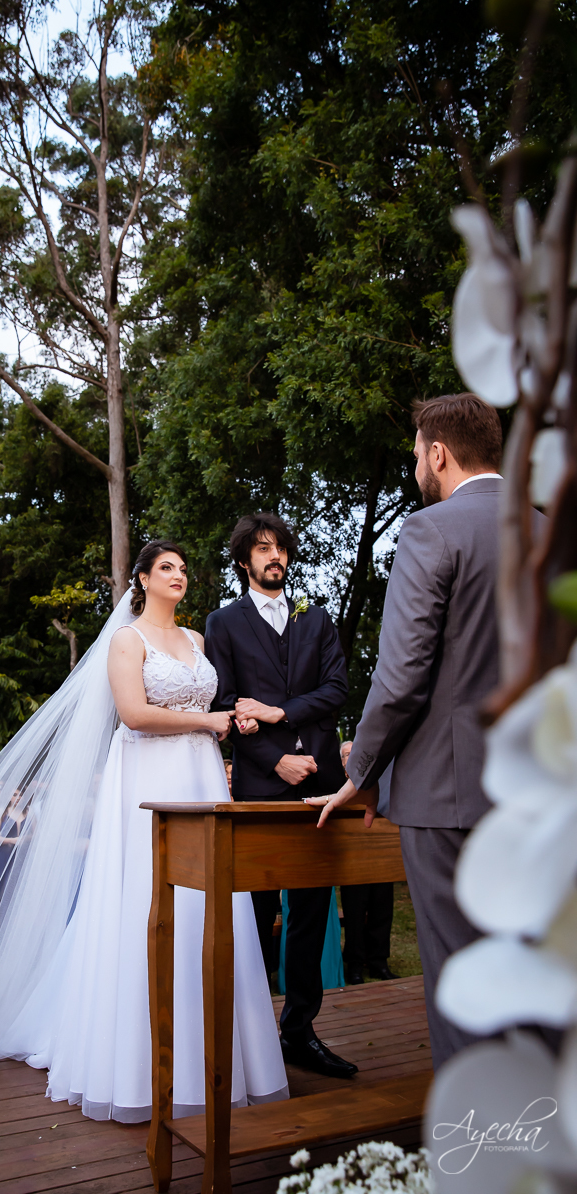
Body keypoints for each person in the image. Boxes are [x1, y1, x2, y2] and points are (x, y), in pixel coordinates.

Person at [0, 540, 289, 1125]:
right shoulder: (127, 641)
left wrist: (235, 718)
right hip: (147, 777)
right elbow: (134, 714)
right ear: (141, 579)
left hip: (200, 775)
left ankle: (218, 1057)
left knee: (209, 902)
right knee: (149, 899)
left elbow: (207, 704)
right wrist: (208, 720)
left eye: (184, 569)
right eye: (165, 568)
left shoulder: (196, 642)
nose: (178, 576)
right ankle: (134, 1060)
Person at [308, 392, 511, 1070]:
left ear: (439, 453)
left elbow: (400, 681)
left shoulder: (432, 530)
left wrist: (358, 772)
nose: (418, 468)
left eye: (417, 455)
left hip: (452, 797)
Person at [204, 512, 356, 1080]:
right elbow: (225, 701)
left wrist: (284, 713)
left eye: (280, 549)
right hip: (261, 786)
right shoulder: (224, 623)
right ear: (244, 561)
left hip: (319, 788)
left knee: (311, 911)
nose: (274, 557)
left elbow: (337, 688)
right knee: (256, 911)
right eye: (262, 549)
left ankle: (299, 1031)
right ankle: (248, 1036)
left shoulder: (315, 618)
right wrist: (276, 758)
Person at [338, 741, 397, 985]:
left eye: (355, 752)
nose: (351, 757)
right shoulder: (337, 784)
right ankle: (354, 965)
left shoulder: (378, 779)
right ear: (341, 760)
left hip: (381, 854)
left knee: (382, 911)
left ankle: (379, 962)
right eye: (346, 754)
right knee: (354, 914)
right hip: (351, 859)